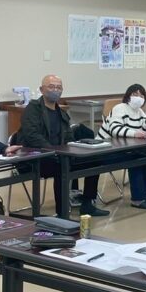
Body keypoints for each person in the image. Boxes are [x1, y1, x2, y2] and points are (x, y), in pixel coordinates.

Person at [20, 74, 109, 217]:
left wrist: (74, 148)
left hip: (60, 155)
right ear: (42, 89)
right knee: (62, 167)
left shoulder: (61, 113)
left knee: (94, 161)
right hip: (37, 157)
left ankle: (87, 204)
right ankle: (62, 214)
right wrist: (52, 151)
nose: (55, 90)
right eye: (51, 87)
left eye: (58, 87)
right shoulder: (33, 108)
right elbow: (32, 136)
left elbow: (68, 137)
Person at [98, 84, 146, 209]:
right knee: (136, 159)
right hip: (105, 151)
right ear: (128, 96)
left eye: (141, 95)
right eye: (135, 94)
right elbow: (115, 130)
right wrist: (135, 133)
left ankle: (143, 194)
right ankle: (137, 199)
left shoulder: (139, 111)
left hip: (124, 149)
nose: (138, 98)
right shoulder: (120, 108)